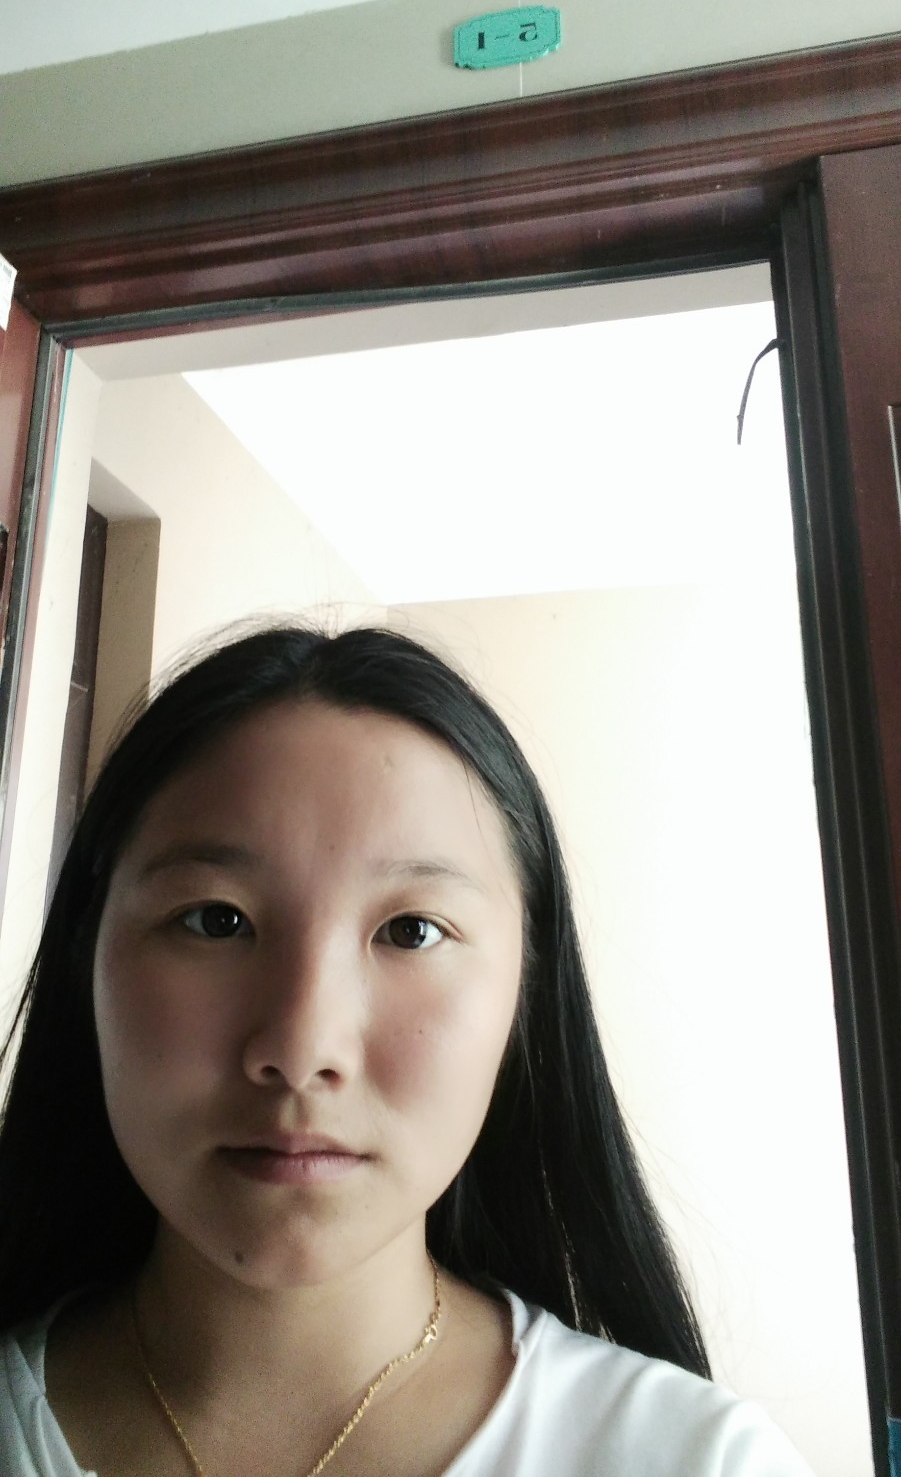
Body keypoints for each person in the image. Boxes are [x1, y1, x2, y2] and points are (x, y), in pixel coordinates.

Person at [0, 624, 814, 1477]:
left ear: (525, 993)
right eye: (216, 919)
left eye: (412, 931)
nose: (302, 1049)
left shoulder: (698, 1458)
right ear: (87, 957)